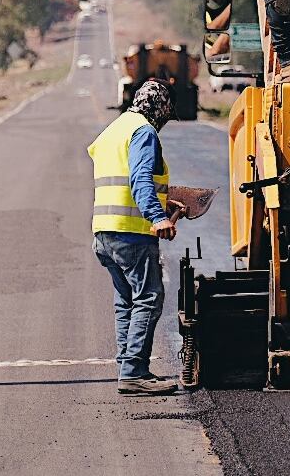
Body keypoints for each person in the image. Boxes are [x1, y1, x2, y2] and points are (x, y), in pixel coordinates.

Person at [89, 79, 181, 396]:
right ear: (160, 110)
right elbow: (139, 179)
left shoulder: (115, 129)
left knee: (125, 302)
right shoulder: (144, 131)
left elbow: (124, 182)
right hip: (131, 235)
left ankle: (128, 367)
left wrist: (163, 203)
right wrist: (158, 218)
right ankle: (134, 372)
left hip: (104, 231)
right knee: (149, 297)